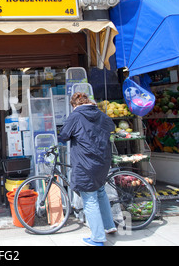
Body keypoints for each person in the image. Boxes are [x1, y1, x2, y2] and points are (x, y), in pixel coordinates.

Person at [59, 92, 116, 246]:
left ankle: (98, 237)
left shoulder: (76, 116)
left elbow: (63, 135)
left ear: (74, 105)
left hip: (85, 163)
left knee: (89, 198)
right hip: (102, 161)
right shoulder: (100, 114)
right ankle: (109, 226)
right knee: (100, 191)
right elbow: (112, 127)